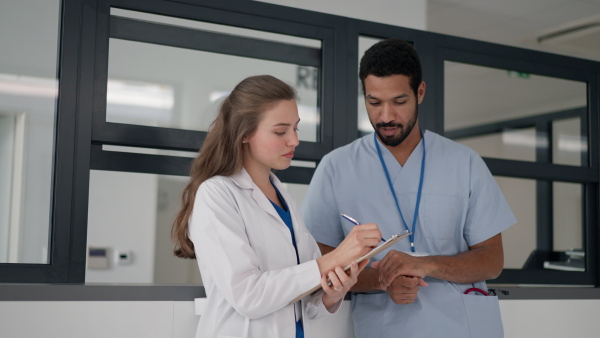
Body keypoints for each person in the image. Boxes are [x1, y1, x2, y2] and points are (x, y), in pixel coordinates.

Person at [301, 39, 517, 337]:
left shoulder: (464, 163)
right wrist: (380, 280)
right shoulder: (336, 167)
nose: (386, 116)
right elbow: (320, 265)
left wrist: (425, 265)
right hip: (385, 327)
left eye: (399, 102)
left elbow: (492, 259)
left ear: (420, 92)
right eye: (374, 102)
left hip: (462, 326)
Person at [171, 75, 382, 338]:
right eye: (281, 131)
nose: (294, 141)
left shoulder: (284, 197)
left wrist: (334, 288)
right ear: (245, 133)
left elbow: (302, 301)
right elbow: (247, 296)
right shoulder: (216, 195)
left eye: (296, 128)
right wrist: (332, 260)